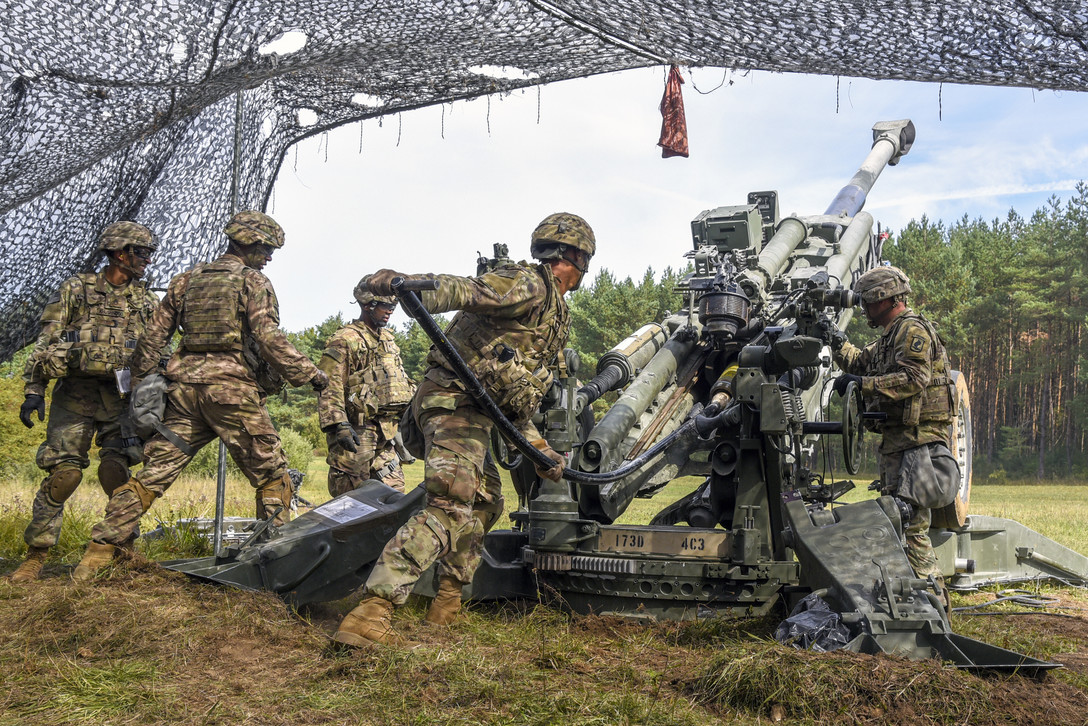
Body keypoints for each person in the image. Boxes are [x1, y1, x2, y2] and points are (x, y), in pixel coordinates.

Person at [332, 212, 595, 647]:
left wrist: (540, 449)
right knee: (451, 504)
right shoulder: (528, 283)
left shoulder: (551, 312)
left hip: (477, 410)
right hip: (453, 402)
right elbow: (467, 290)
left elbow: (513, 398)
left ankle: (447, 603)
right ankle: (370, 613)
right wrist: (405, 282)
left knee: (487, 502)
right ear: (574, 256)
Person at [71, 210, 329, 581]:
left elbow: (153, 338)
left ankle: (96, 555)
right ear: (246, 243)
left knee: (152, 475)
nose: (270, 256)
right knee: (274, 476)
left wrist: (141, 387)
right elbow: (268, 338)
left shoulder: (186, 280)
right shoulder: (253, 282)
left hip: (184, 395)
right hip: (231, 393)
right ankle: (274, 565)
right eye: (266, 248)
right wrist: (311, 375)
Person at [9, 222, 162, 583]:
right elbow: (47, 341)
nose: (147, 260)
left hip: (121, 399)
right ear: (119, 253)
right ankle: (36, 556)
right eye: (141, 252)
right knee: (65, 474)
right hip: (74, 396)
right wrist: (34, 390)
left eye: (149, 253)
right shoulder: (76, 289)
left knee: (116, 473)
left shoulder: (147, 300)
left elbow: (158, 349)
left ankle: (123, 549)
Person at [832, 265, 959, 612]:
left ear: (882, 299)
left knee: (912, 527)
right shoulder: (890, 337)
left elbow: (914, 378)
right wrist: (835, 340)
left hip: (917, 445)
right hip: (900, 444)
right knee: (896, 524)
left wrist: (865, 385)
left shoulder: (912, 330)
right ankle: (910, 605)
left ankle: (935, 608)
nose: (863, 309)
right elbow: (860, 362)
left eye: (866, 302)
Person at [317, 285, 415, 496]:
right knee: (350, 497)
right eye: (385, 306)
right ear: (367, 305)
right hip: (357, 430)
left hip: (387, 431)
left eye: (394, 306)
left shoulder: (388, 339)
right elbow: (328, 383)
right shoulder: (345, 339)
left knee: (394, 496)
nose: (390, 310)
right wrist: (339, 424)